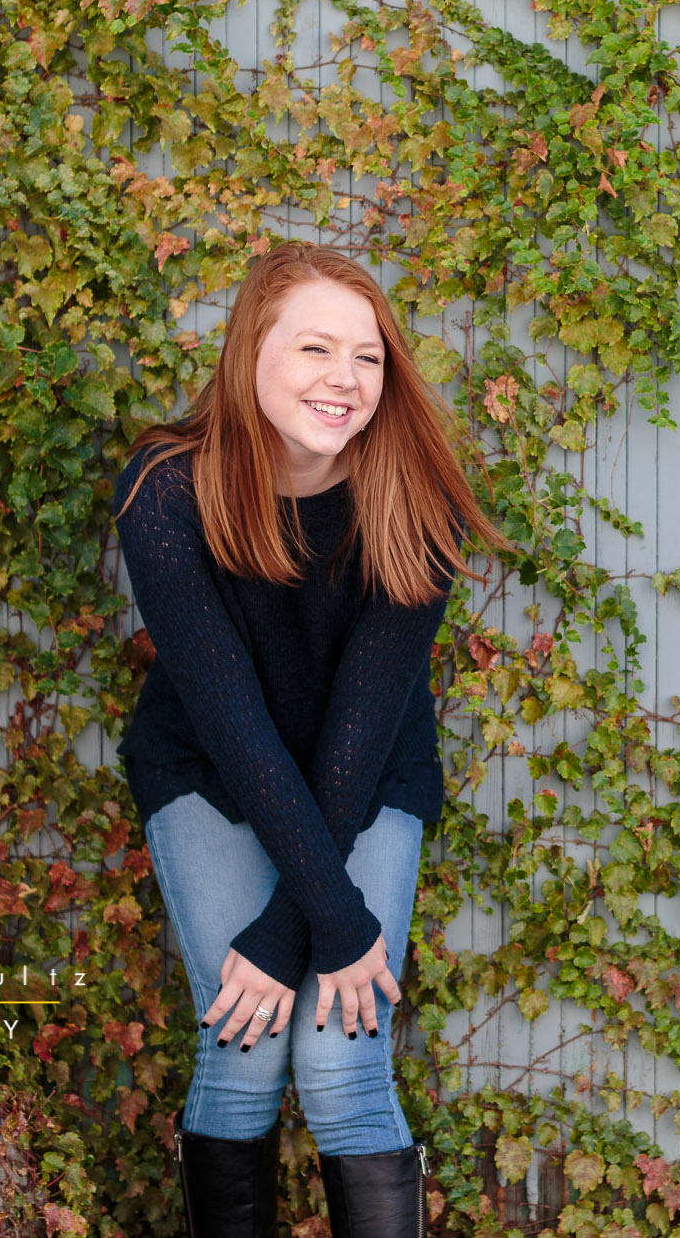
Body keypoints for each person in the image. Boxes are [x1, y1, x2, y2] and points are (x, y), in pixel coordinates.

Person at [112, 242, 505, 1238]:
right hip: (210, 764)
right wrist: (321, 918)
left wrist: (295, 926)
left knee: (340, 1062)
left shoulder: (416, 496)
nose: (344, 379)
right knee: (244, 1050)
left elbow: (362, 726)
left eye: (367, 356)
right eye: (316, 348)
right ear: (253, 352)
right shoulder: (166, 487)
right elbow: (228, 713)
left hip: (363, 776)